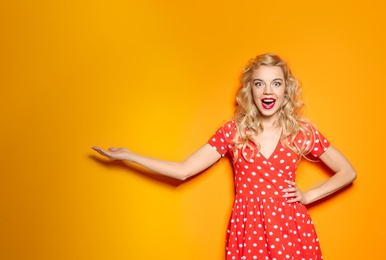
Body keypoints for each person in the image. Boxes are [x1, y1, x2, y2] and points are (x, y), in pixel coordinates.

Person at [92, 53, 356, 259]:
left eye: (276, 83)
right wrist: (129, 156)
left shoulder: (300, 132)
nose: (268, 91)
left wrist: (308, 196)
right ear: (250, 90)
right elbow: (184, 170)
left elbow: (348, 172)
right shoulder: (233, 132)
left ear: (286, 90)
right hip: (248, 230)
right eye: (259, 83)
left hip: (290, 228)